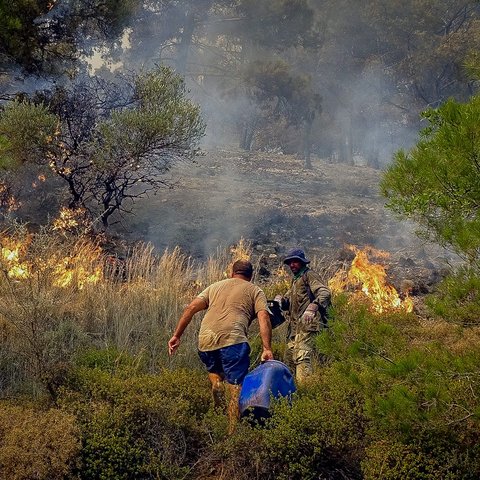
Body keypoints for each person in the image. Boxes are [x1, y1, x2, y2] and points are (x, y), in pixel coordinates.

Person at [168, 259, 273, 432]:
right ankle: (232, 432)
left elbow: (191, 308)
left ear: (232, 273)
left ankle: (217, 386)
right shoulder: (255, 290)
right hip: (233, 340)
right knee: (235, 389)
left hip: (206, 339)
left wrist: (176, 336)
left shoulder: (214, 286)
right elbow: (264, 318)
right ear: (251, 275)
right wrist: (267, 348)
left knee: (216, 376)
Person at [275, 248, 331, 383]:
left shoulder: (309, 275)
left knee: (302, 357)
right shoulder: (296, 280)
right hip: (295, 329)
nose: (292, 265)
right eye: (290, 263)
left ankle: (306, 391)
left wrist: (313, 306)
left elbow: (325, 293)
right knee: (289, 359)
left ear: (302, 262)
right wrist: (281, 301)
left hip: (307, 326)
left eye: (295, 262)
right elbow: (290, 302)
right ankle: (292, 394)